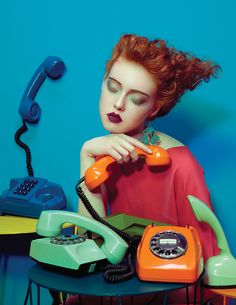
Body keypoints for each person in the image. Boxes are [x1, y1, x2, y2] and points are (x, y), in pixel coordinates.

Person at [68, 34, 221, 305]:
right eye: (113, 87)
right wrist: (86, 156)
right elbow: (88, 247)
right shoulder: (101, 153)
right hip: (109, 292)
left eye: (137, 99)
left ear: (154, 108)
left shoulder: (182, 166)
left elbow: (205, 268)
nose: (118, 104)